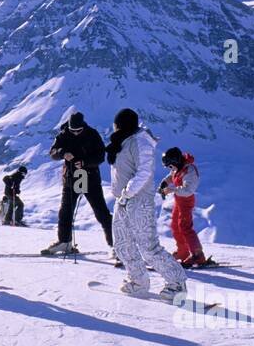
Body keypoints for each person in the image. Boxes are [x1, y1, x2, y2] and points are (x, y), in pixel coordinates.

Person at [108, 109, 187, 299]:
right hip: (124, 200)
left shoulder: (140, 141)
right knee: (122, 244)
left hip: (139, 201)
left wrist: (128, 192)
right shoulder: (123, 141)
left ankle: (176, 284)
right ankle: (138, 281)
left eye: (116, 124)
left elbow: (144, 171)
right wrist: (123, 196)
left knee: (148, 247)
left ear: (122, 124)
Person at [41, 111, 113, 255]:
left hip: (90, 177)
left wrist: (85, 162)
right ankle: (65, 242)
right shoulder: (63, 134)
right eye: (72, 130)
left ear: (83, 126)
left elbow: (100, 156)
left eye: (78, 130)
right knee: (66, 211)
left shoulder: (92, 134)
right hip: (70, 178)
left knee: (101, 212)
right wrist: (62, 153)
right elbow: (52, 152)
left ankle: (116, 245)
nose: (75, 133)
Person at [159, 146, 206, 266]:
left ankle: (198, 256)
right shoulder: (178, 167)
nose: (170, 168)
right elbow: (172, 175)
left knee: (185, 227)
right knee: (175, 226)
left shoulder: (190, 171)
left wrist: (171, 189)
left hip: (186, 201)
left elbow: (188, 190)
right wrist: (165, 182)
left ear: (176, 161)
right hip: (178, 201)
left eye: (170, 166)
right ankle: (183, 252)